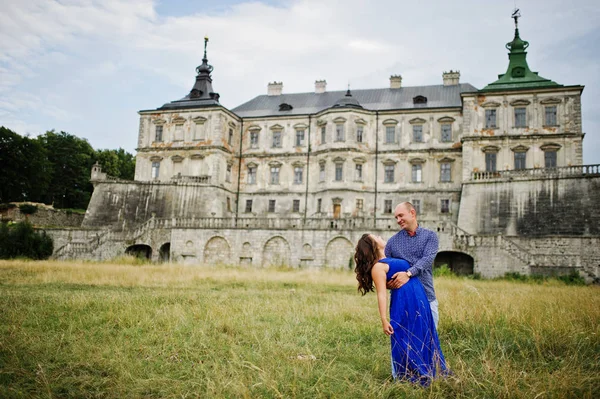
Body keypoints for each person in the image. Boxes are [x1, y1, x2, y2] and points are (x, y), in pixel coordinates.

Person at [354, 233, 447, 384]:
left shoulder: (391, 255)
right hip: (404, 304)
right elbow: (382, 294)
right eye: (375, 237)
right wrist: (384, 319)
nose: (380, 236)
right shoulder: (378, 267)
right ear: (372, 245)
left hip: (419, 300)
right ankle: (407, 376)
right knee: (405, 338)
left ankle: (430, 370)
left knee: (423, 336)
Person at [386, 202, 440, 328]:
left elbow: (427, 259)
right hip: (402, 300)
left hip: (426, 296)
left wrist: (408, 274)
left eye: (400, 216)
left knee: (430, 338)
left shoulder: (430, 236)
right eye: (396, 218)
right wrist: (387, 283)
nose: (398, 220)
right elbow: (387, 268)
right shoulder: (392, 243)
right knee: (406, 340)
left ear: (412, 213)